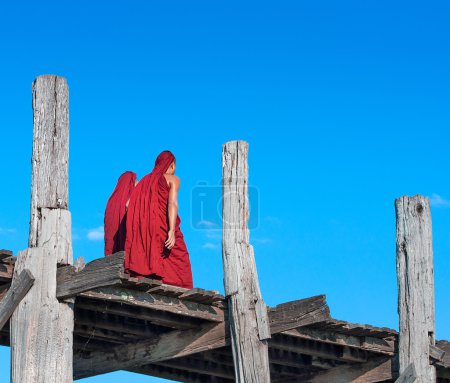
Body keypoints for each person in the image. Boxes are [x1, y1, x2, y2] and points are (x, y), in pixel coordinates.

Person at [124, 150, 193, 289]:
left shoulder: (143, 181)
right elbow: (172, 203)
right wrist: (172, 230)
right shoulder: (173, 179)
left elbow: (127, 204)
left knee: (152, 254)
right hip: (163, 227)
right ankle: (179, 288)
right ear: (172, 165)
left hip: (145, 229)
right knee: (180, 258)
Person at [104, 171, 137, 256]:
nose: (137, 182)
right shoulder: (131, 198)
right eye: (135, 180)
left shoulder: (111, 201)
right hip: (128, 252)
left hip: (111, 253)